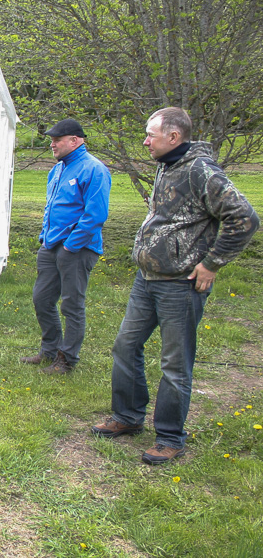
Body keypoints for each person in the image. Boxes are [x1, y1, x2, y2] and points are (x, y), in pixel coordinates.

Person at [92, 107, 258, 465]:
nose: (145, 141)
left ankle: (170, 437)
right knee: (125, 346)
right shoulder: (167, 165)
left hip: (180, 286)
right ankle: (127, 417)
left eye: (150, 135)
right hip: (147, 280)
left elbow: (244, 217)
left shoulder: (201, 171)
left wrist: (211, 263)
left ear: (174, 137)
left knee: (174, 363)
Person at [22, 119, 111, 374]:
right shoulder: (57, 170)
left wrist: (71, 246)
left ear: (75, 140)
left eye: (57, 140)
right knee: (42, 299)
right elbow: (51, 207)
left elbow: (95, 215)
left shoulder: (94, 170)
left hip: (77, 249)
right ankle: (49, 350)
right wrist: (45, 237)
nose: (52, 144)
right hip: (51, 245)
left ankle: (67, 359)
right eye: (51, 140)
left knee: (72, 305)